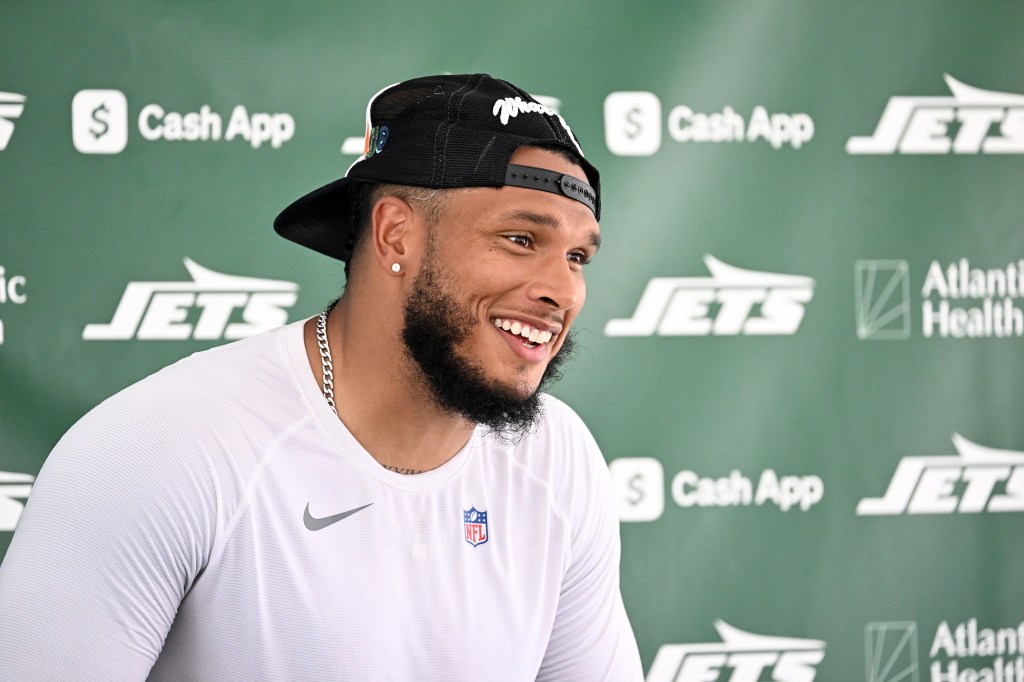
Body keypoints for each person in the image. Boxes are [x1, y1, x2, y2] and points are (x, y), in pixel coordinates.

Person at [0, 73, 643, 681]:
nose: (563, 291)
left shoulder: (558, 459)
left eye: (577, 257)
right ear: (396, 234)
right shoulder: (162, 448)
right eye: (521, 239)